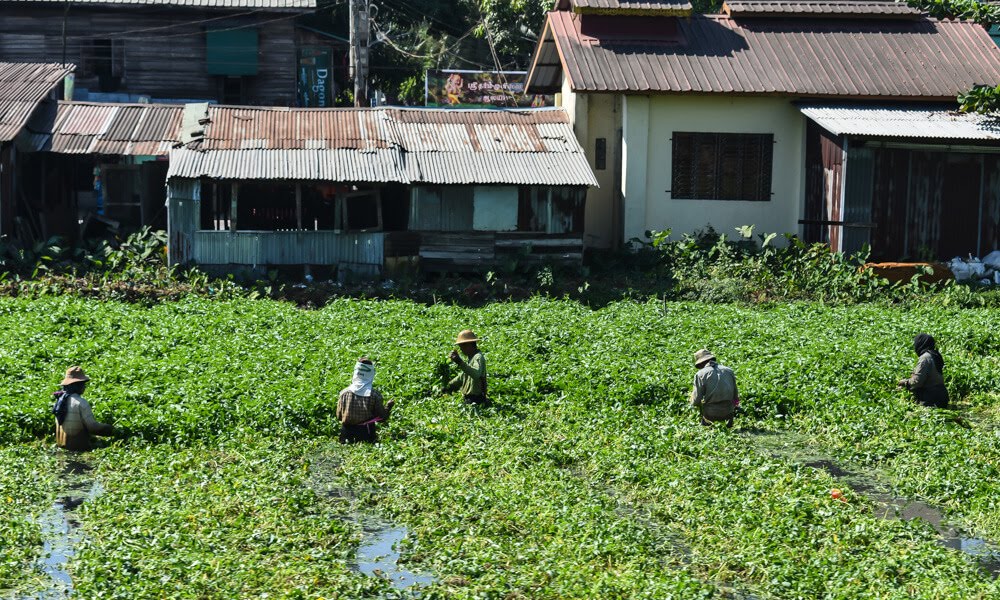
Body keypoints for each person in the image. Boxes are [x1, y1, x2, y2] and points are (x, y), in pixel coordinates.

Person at [54, 366, 115, 451]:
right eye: (83, 384)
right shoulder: (80, 402)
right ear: (78, 386)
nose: (84, 387)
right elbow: (93, 427)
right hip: (78, 449)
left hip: (61, 447)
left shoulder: (59, 400)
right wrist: (110, 429)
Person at [336, 357, 394, 444]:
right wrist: (388, 406)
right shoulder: (374, 395)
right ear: (371, 374)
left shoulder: (344, 393)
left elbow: (339, 416)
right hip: (366, 435)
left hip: (346, 435)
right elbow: (381, 418)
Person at [689, 349, 739, 427]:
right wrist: (735, 406)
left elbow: (696, 401)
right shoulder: (729, 371)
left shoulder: (700, 374)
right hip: (728, 412)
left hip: (711, 414)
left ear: (701, 363)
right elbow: (735, 395)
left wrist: (691, 402)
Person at [898, 333, 949, 408]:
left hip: (931, 398)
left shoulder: (925, 358)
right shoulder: (935, 355)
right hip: (941, 395)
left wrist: (905, 383)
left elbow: (917, 381)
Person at [446, 330, 488, 405]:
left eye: (462, 346)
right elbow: (462, 377)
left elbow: (476, 374)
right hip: (469, 399)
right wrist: (448, 386)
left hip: (476, 399)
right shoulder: (471, 359)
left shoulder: (478, 357)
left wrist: (460, 362)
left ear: (469, 345)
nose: (461, 349)